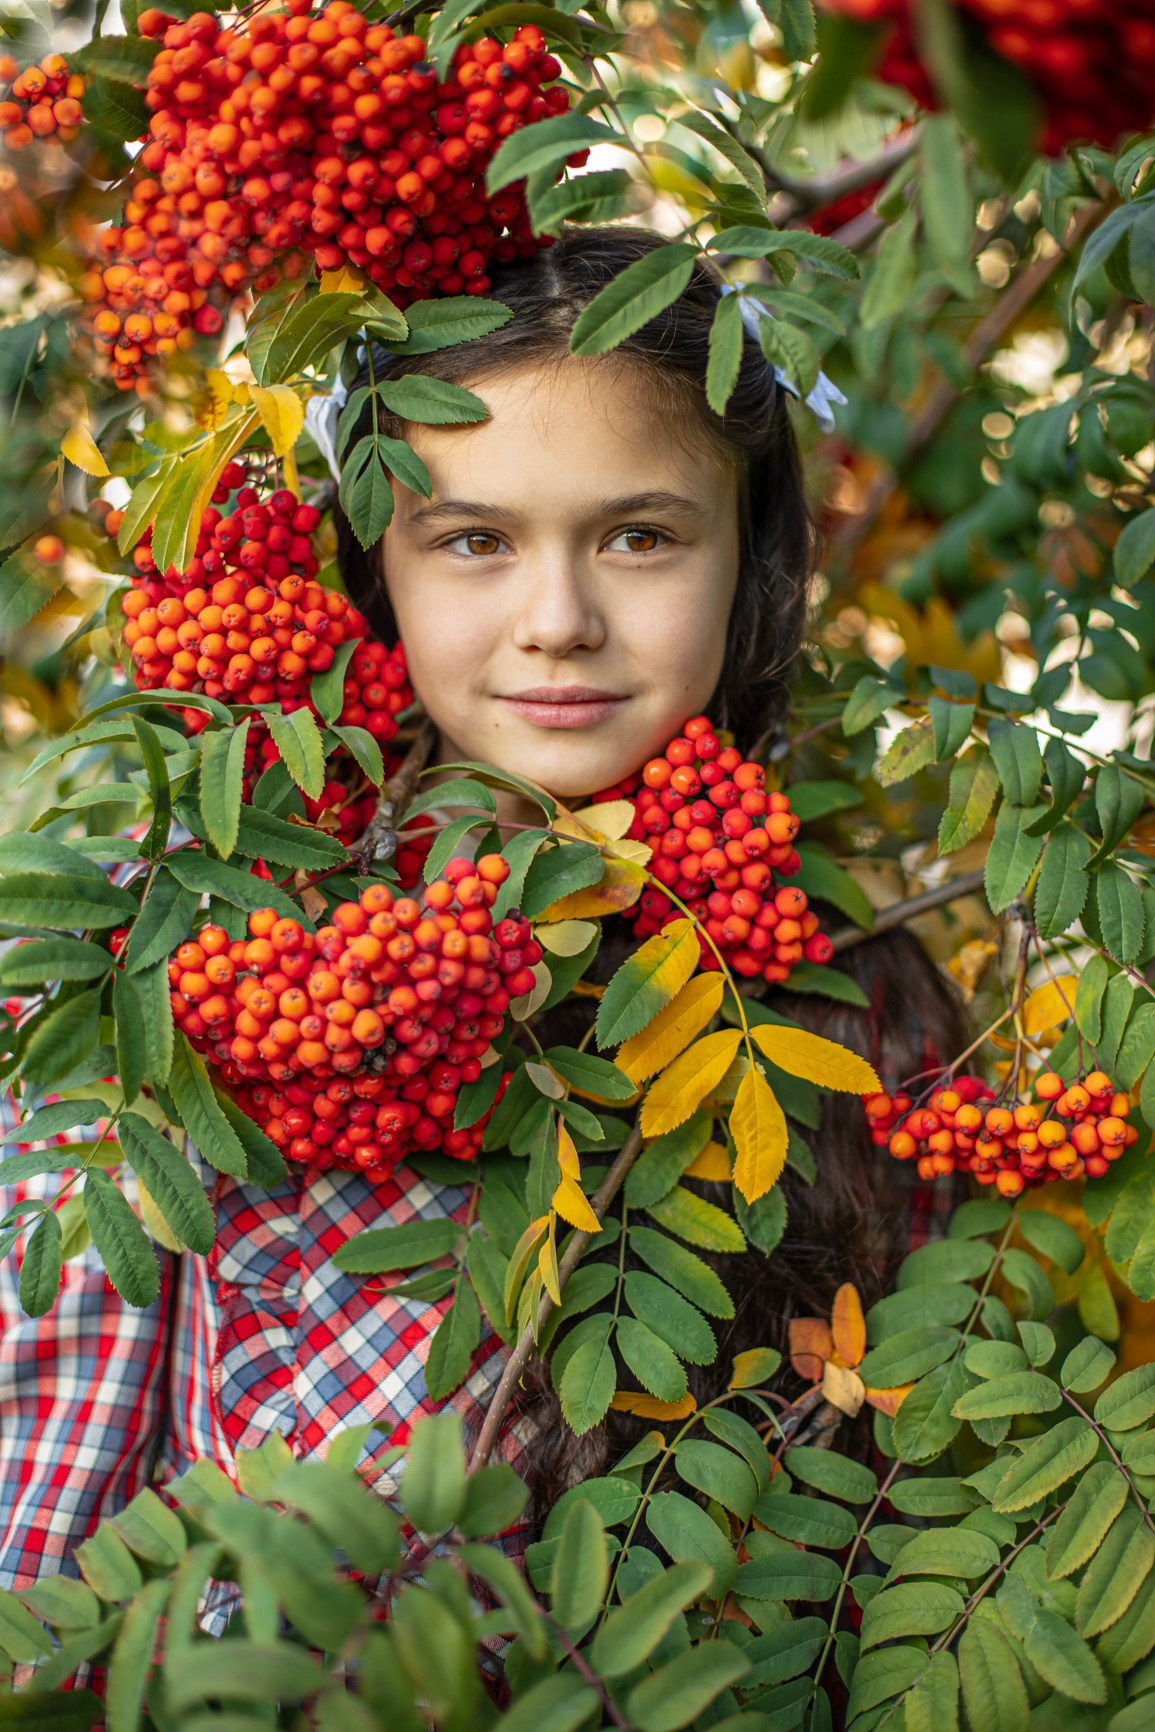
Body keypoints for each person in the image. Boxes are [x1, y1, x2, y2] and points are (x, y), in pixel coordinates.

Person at [0, 222, 969, 1596]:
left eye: (640, 535)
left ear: (746, 561)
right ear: (372, 564)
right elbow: (37, 1601)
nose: (559, 617)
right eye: (473, 540)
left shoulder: (852, 1007)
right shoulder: (163, 979)